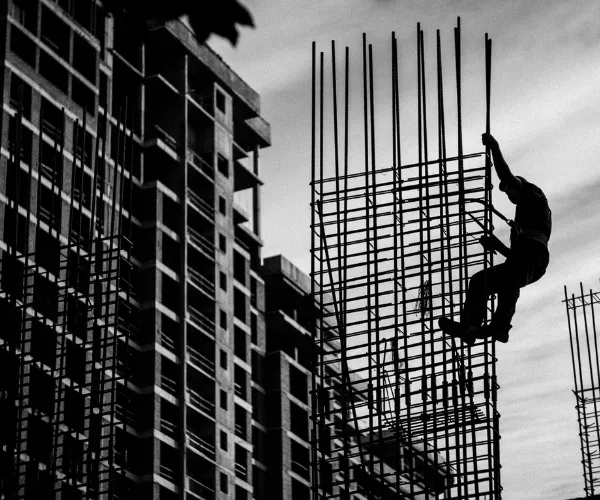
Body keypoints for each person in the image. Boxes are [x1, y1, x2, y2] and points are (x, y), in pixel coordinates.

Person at [439, 133, 552, 344]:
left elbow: (506, 177)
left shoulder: (534, 197)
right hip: (533, 262)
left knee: (480, 281)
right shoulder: (526, 220)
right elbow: (516, 259)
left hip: (532, 260)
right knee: (509, 282)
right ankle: (500, 328)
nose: (510, 196)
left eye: (511, 192)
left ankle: (470, 326)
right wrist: (496, 245)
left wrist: (494, 146)